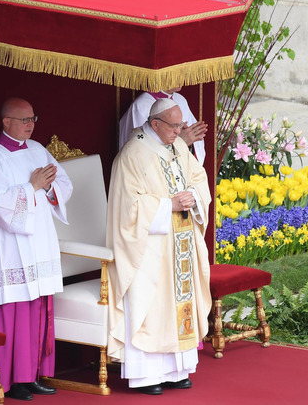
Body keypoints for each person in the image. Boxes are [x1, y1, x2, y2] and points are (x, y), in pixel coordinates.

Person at [106, 98, 212, 395]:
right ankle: (148, 376)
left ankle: (177, 370)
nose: (181, 131)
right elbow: (128, 206)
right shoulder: (133, 154)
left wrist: (192, 195)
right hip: (148, 248)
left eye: (181, 125)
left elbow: (197, 177)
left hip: (180, 241)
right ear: (155, 124)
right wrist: (169, 205)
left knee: (178, 303)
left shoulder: (176, 145)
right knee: (153, 305)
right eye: (175, 126)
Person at [0, 97, 73, 401]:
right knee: (13, 313)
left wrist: (48, 187)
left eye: (33, 119)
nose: (31, 125)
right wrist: (31, 187)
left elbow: (63, 184)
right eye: (24, 120)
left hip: (38, 244)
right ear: (6, 122)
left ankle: (32, 376)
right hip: (9, 249)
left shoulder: (38, 150)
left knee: (37, 312)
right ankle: (9, 380)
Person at [119, 87, 207, 162]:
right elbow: (141, 153)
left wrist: (191, 144)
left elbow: (194, 144)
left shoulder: (180, 100)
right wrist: (180, 141)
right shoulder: (141, 105)